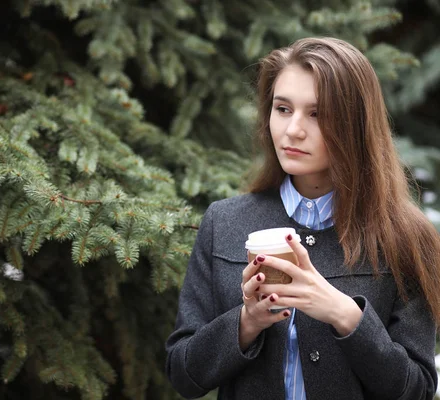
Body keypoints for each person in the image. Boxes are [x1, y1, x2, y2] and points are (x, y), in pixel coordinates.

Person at [165, 37, 440, 400]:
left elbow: (417, 389)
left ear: (354, 125)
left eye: (317, 114)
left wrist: (346, 315)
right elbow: (183, 374)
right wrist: (247, 322)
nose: (293, 129)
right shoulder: (224, 222)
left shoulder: (405, 236)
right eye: (282, 108)